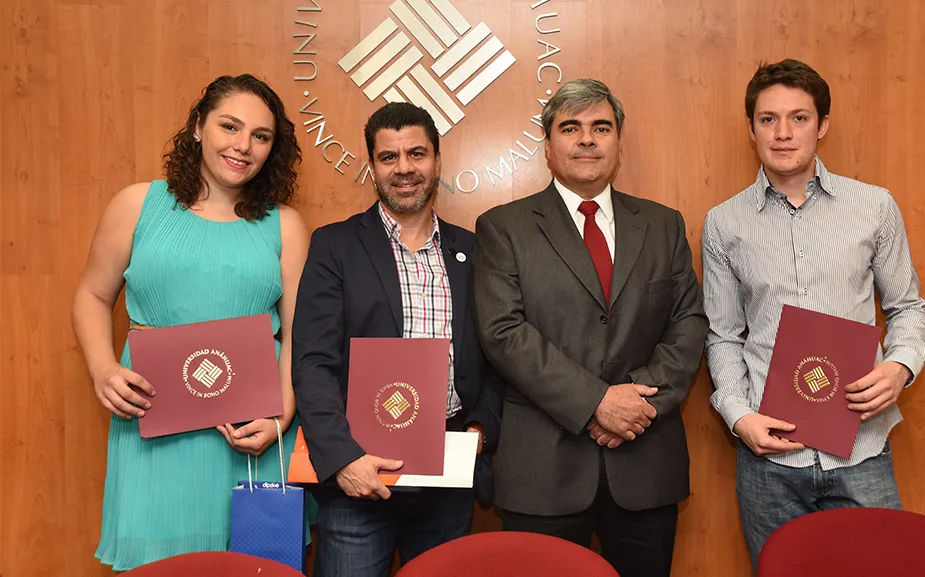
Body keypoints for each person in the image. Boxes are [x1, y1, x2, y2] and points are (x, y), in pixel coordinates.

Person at [71, 74, 310, 571]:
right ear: (198, 126)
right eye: (230, 126)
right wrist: (101, 367)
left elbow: (298, 335)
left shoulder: (285, 225)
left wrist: (281, 417)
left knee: (252, 564)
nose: (243, 146)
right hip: (154, 428)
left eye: (261, 137)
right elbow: (93, 294)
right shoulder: (137, 204)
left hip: (251, 435)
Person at [472, 78, 708, 577]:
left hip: (645, 463)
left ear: (618, 141)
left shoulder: (663, 225)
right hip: (543, 473)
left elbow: (688, 322)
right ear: (548, 144)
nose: (586, 139)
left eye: (600, 127)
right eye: (570, 128)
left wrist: (637, 406)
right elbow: (503, 332)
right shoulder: (502, 227)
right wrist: (597, 402)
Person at [702, 59, 925, 570]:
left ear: (822, 125)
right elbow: (722, 337)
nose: (783, 133)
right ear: (752, 128)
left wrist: (900, 367)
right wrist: (738, 416)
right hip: (770, 463)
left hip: (862, 451)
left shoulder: (874, 207)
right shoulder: (722, 224)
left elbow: (907, 307)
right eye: (768, 119)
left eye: (799, 118)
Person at [292, 102, 503, 577]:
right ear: (372, 166)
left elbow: (495, 358)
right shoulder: (334, 246)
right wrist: (343, 459)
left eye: (416, 154)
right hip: (358, 476)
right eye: (389, 157)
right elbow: (312, 363)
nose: (404, 168)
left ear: (437, 161)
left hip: (448, 471)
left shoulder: (473, 250)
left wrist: (479, 431)